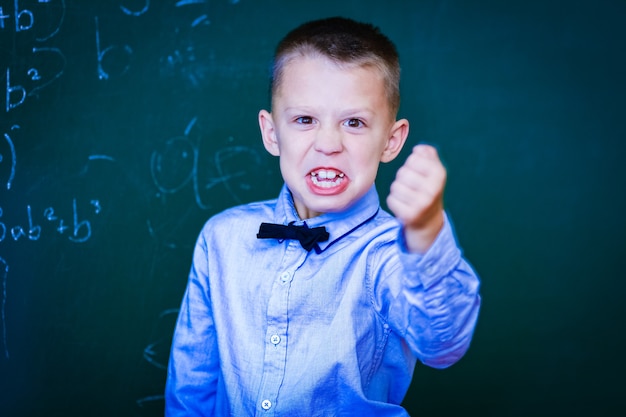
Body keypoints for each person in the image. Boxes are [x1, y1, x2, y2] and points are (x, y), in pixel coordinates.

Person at [165, 16, 481, 416]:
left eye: (354, 122)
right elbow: (192, 384)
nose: (328, 143)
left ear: (391, 140)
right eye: (304, 120)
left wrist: (425, 232)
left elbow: (444, 343)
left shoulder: (389, 254)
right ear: (271, 133)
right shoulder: (222, 238)